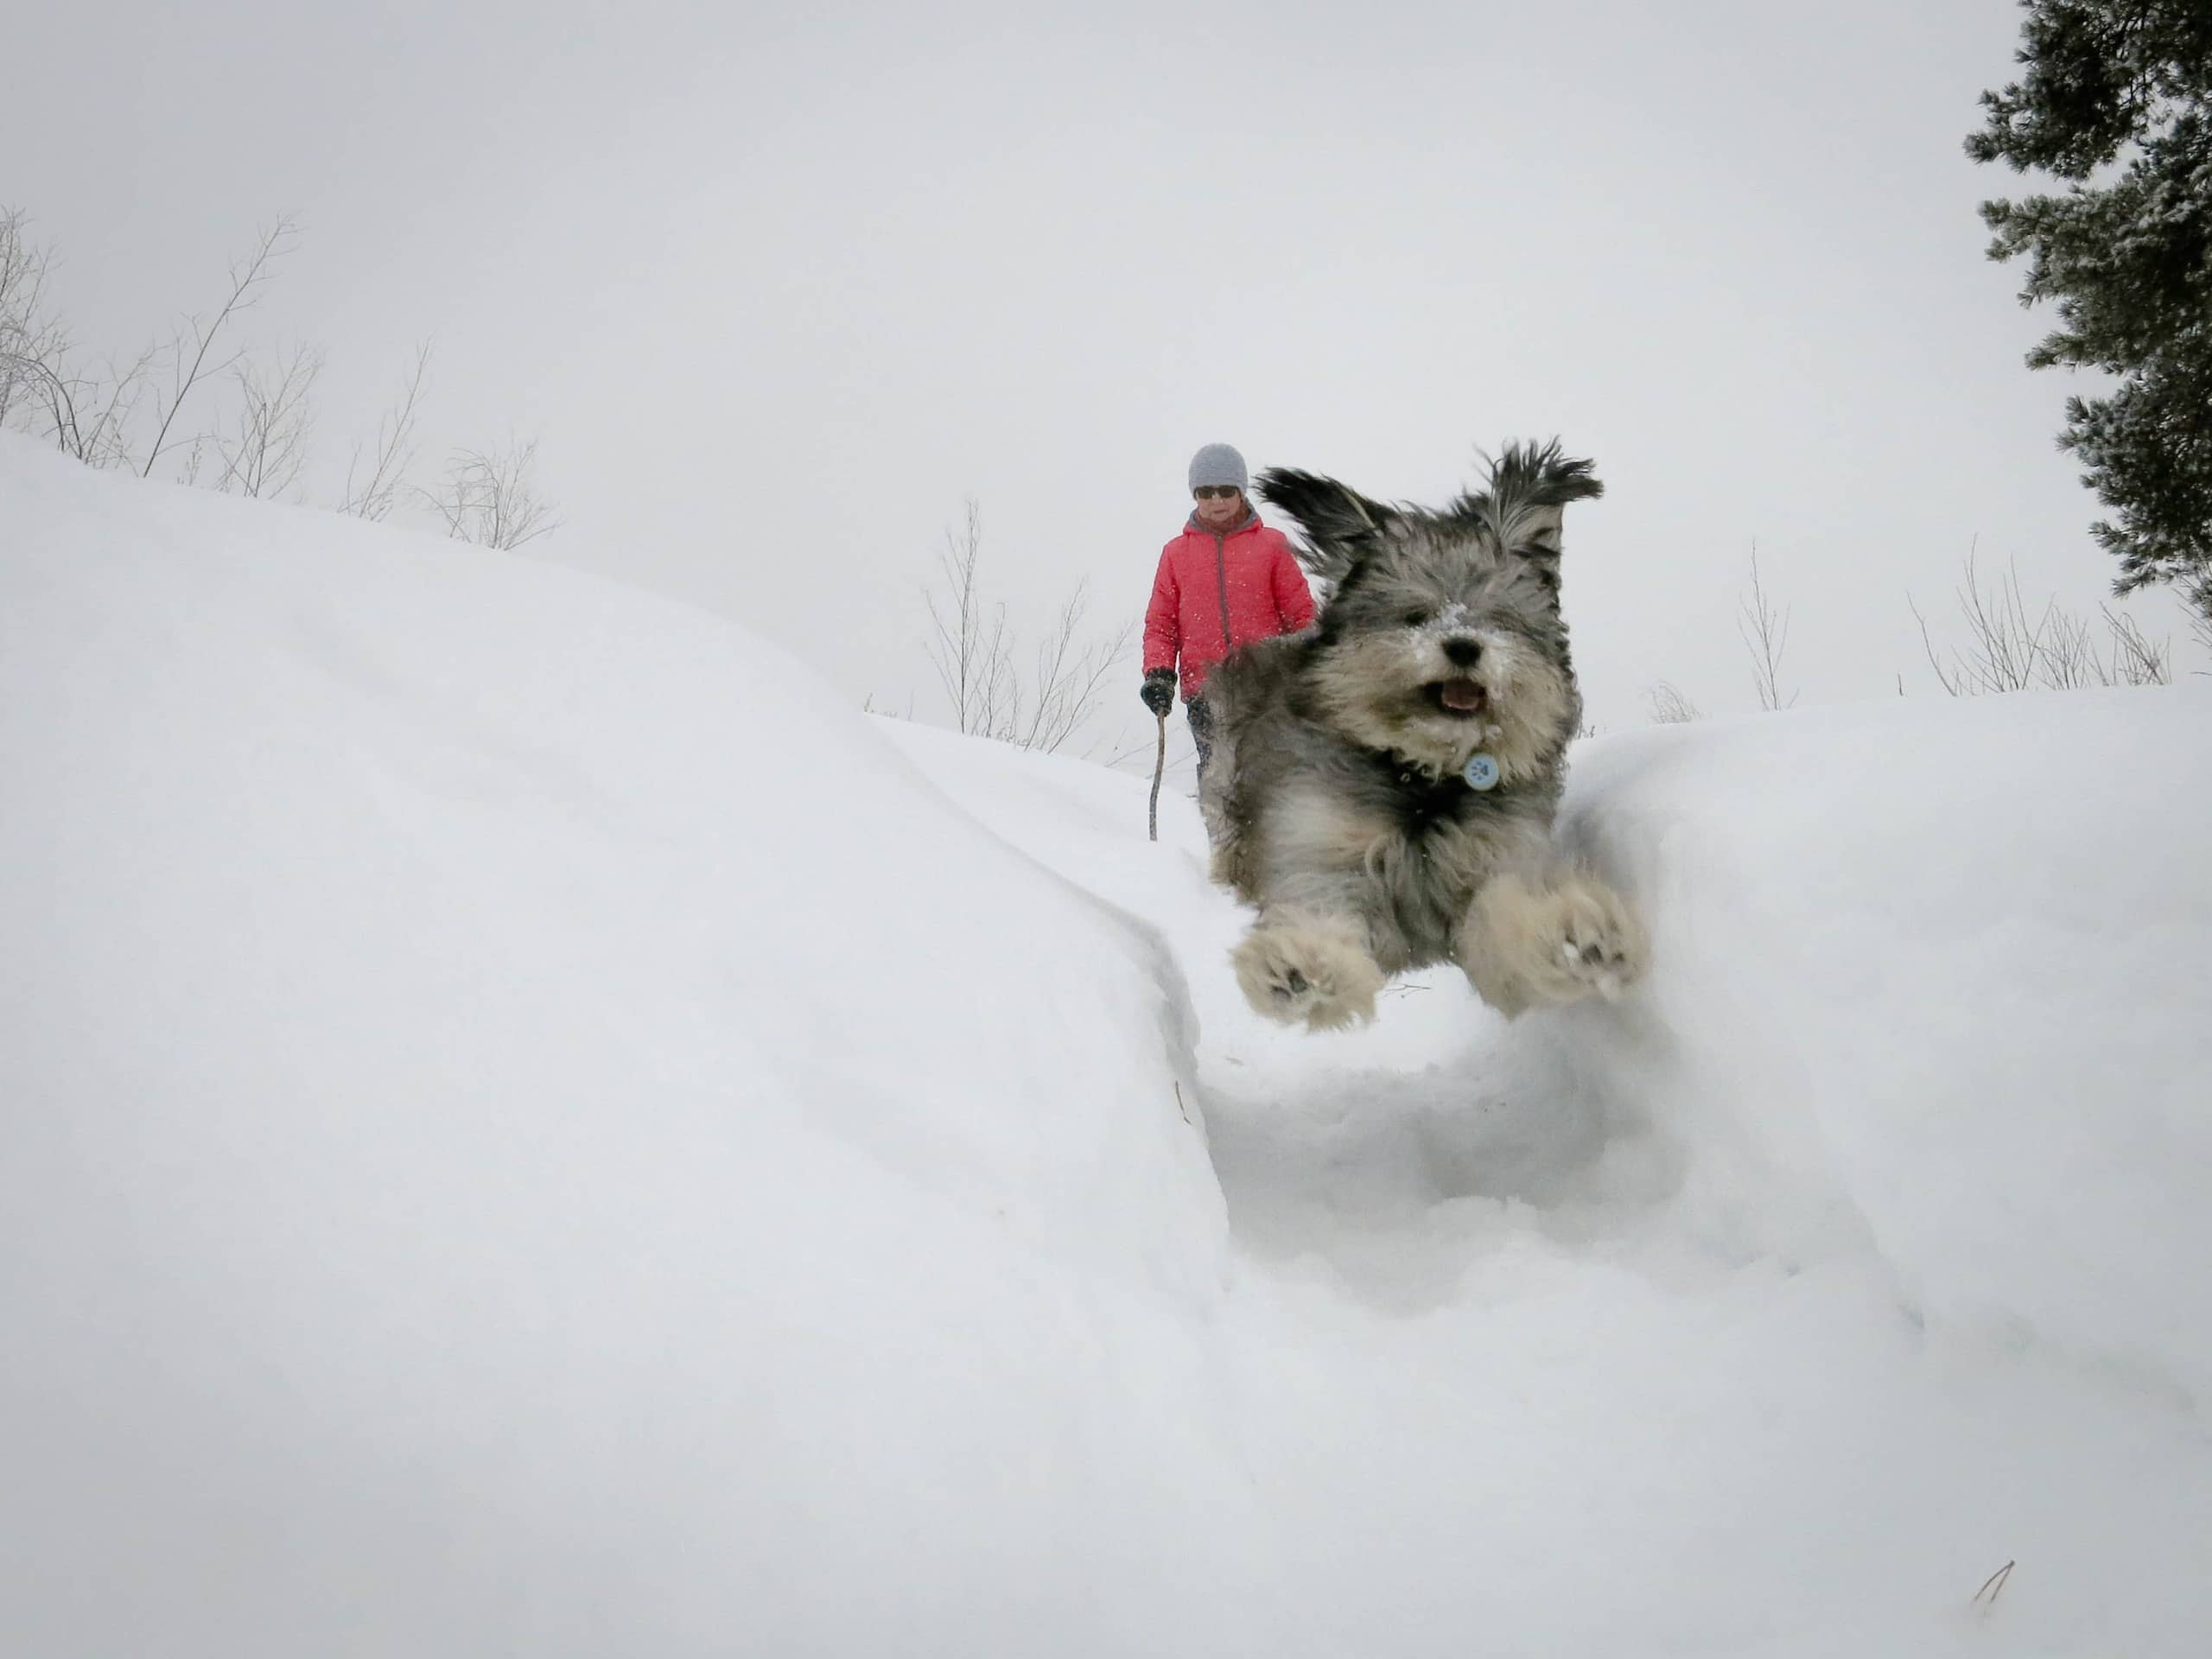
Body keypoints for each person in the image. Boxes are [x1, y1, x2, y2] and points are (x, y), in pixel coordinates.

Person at [1140, 442, 1316, 791]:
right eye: (1206, 492)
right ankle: (1223, 844)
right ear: (1195, 495)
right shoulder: (1176, 554)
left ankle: (1273, 844)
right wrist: (1158, 672)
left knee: (1272, 781)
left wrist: (1310, 665)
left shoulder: (1272, 546)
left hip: (1267, 685)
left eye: (1225, 491)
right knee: (1220, 781)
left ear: (1241, 492)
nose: (1216, 501)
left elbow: (1303, 616)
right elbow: (1161, 625)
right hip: (1205, 689)